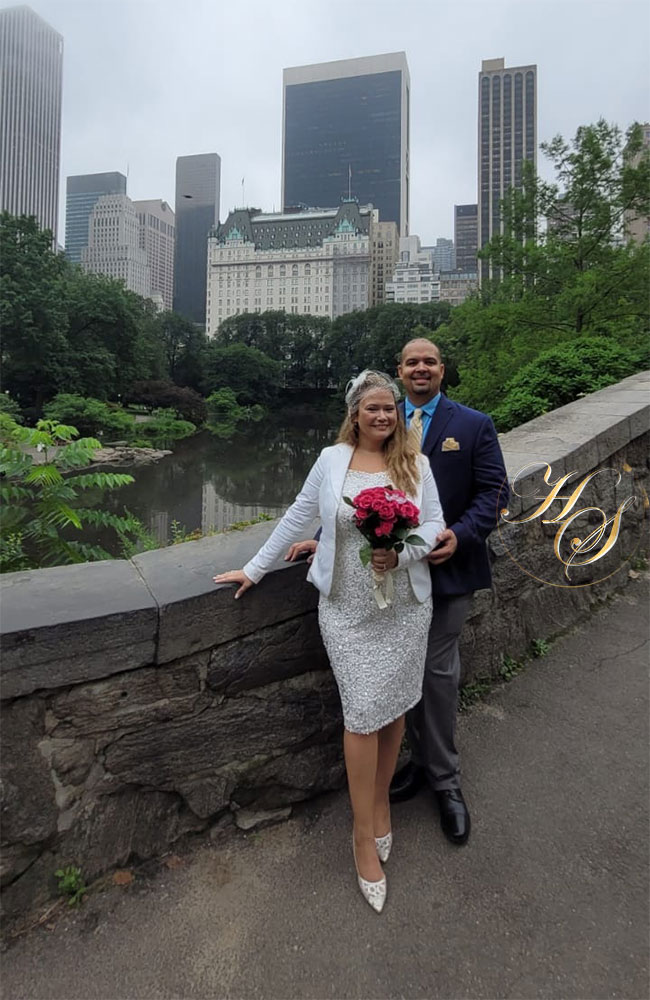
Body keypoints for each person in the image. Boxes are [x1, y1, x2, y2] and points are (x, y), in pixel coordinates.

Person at [213, 371, 445, 914]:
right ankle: (362, 835)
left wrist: (401, 552)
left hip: (404, 608)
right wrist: (254, 568)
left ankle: (381, 804)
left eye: (389, 408)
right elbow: (298, 514)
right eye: (372, 408)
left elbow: (434, 524)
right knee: (362, 714)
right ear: (354, 414)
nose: (383, 416)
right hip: (346, 609)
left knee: (393, 709)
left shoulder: (416, 463)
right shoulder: (330, 460)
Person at [292, 340, 508, 847]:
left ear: (441, 370)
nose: (421, 368)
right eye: (412, 362)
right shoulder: (382, 421)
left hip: (447, 570)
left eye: (429, 361)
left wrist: (460, 534)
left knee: (436, 675)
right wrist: (325, 539)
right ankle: (408, 768)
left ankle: (445, 781)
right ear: (400, 371)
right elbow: (353, 497)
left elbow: (495, 492)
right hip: (382, 583)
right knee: (396, 678)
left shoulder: (473, 425)